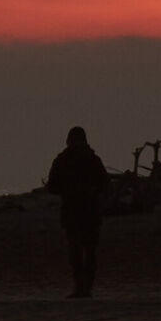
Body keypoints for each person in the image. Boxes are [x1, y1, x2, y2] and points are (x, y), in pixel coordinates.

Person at [45, 126, 110, 297]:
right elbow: (105, 184)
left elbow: (52, 187)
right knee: (89, 250)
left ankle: (79, 286)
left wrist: (69, 190)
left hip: (72, 210)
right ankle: (86, 288)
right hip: (89, 210)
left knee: (75, 249)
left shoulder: (62, 160)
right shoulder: (92, 159)